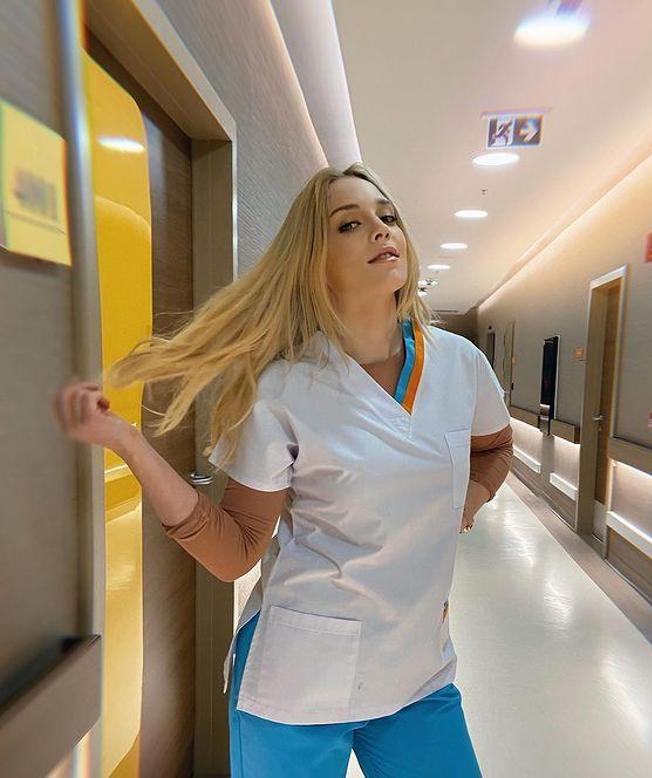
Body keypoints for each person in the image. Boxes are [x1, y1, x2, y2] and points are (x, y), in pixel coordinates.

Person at [52, 162, 514, 777]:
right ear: (315, 262)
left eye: (387, 216)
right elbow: (235, 551)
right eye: (350, 224)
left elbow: (495, 447)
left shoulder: (460, 365)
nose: (381, 229)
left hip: (418, 670)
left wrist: (469, 499)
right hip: (299, 680)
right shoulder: (286, 388)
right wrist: (129, 444)